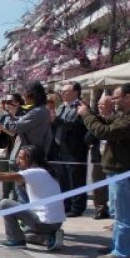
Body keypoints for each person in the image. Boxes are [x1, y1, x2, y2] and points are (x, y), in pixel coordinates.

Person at [78, 83, 130, 258]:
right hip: (117, 170)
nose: (113, 101)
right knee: (117, 212)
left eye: (116, 98)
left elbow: (105, 132)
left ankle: (122, 252)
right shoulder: (125, 115)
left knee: (124, 215)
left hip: (124, 172)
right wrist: (92, 112)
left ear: (128, 97)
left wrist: (86, 116)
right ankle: (118, 244)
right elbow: (106, 122)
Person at [0, 145, 65, 250]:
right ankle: (49, 237)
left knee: (5, 204)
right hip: (56, 222)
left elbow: (6, 176)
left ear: (32, 159)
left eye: (21, 158)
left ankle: (15, 240)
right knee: (25, 232)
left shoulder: (34, 172)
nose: (18, 161)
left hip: (44, 222)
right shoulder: (47, 171)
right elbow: (8, 174)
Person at [0, 81, 52, 203]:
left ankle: (27, 218)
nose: (23, 99)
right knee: (21, 191)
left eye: (25, 95)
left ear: (33, 95)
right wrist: (10, 113)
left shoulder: (39, 111)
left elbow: (15, 127)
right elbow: (20, 121)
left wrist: (4, 113)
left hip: (29, 157)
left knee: (25, 194)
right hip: (24, 155)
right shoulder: (38, 110)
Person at [51, 82, 89, 217]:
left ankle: (77, 206)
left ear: (76, 92)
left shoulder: (81, 107)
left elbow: (77, 127)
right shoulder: (61, 106)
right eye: (61, 91)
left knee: (76, 178)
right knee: (63, 178)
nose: (62, 94)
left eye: (66, 91)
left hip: (74, 148)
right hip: (61, 147)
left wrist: (56, 120)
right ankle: (66, 204)